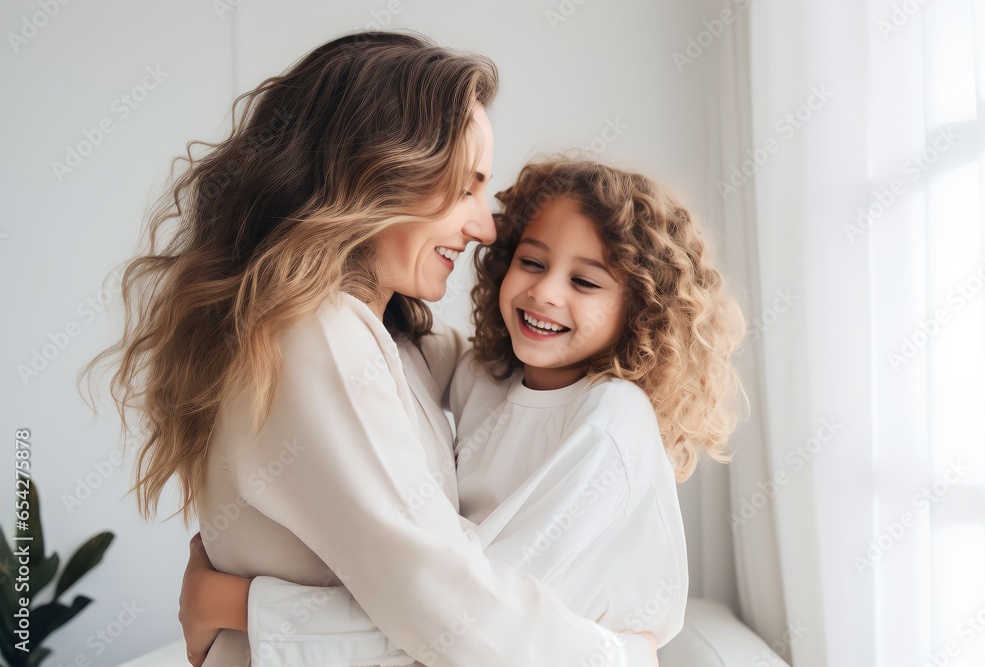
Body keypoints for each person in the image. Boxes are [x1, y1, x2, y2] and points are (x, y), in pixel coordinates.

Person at [81, 32, 666, 667]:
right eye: (464, 189)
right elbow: (446, 610)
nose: (485, 226)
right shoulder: (315, 335)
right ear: (381, 173)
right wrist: (622, 655)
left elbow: (502, 370)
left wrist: (237, 605)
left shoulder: (382, 335)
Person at [178, 158, 748, 665]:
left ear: (641, 309)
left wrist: (243, 606)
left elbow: (465, 621)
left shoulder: (610, 419)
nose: (546, 292)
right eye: (531, 261)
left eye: (584, 281)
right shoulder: (485, 374)